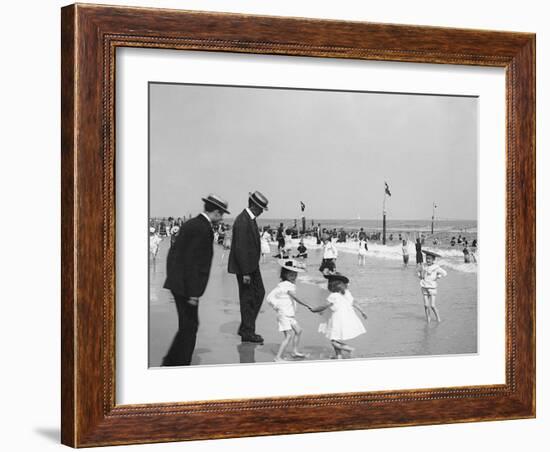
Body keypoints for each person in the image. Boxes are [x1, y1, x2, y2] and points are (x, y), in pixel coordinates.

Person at [162, 194, 230, 366]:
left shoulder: (192, 224)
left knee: (188, 325)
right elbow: (194, 263)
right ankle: (178, 364)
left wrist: (173, 279)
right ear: (215, 212)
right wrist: (193, 293)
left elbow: (173, 254)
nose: (221, 218)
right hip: (187, 288)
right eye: (221, 214)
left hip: (178, 284)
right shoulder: (203, 229)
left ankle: (171, 361)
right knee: (189, 327)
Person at [228, 191, 270, 343]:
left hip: (251, 265)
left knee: (258, 294)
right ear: (253, 206)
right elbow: (240, 248)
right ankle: (248, 332)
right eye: (260, 209)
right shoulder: (243, 220)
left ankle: (246, 327)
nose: (260, 212)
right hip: (246, 268)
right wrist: (245, 272)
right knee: (248, 298)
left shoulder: (248, 219)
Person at [310, 273, 367, 359]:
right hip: (346, 318)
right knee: (335, 338)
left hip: (337, 320)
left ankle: (349, 349)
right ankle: (338, 356)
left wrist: (315, 310)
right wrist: (362, 311)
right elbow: (354, 302)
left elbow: (325, 306)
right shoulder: (347, 293)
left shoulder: (333, 296)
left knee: (333, 340)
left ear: (331, 286)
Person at [266, 259, 311, 361]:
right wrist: (277, 306)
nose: (294, 276)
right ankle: (277, 357)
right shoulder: (286, 285)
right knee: (288, 336)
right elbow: (270, 297)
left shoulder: (286, 285)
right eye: (290, 274)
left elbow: (271, 297)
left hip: (289, 314)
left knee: (299, 331)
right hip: (284, 314)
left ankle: (294, 351)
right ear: (285, 274)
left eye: (295, 274)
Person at [417, 250, 447, 323]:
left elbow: (445, 273)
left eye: (429, 259)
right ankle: (428, 319)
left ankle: (438, 318)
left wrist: (437, 277)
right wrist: (420, 275)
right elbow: (419, 272)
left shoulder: (436, 267)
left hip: (432, 288)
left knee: (432, 306)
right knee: (426, 305)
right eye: (427, 258)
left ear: (433, 260)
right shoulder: (424, 266)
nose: (428, 260)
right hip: (424, 287)